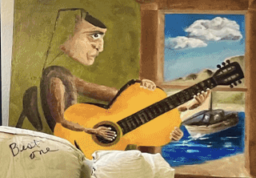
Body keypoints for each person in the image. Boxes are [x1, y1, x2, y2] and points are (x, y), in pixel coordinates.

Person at [39, 9, 206, 143]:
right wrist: (94, 131)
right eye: (94, 35)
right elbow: (61, 121)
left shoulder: (66, 75)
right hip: (72, 142)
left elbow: (119, 100)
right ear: (66, 34)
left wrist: (138, 91)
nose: (100, 47)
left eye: (101, 37)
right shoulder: (55, 78)